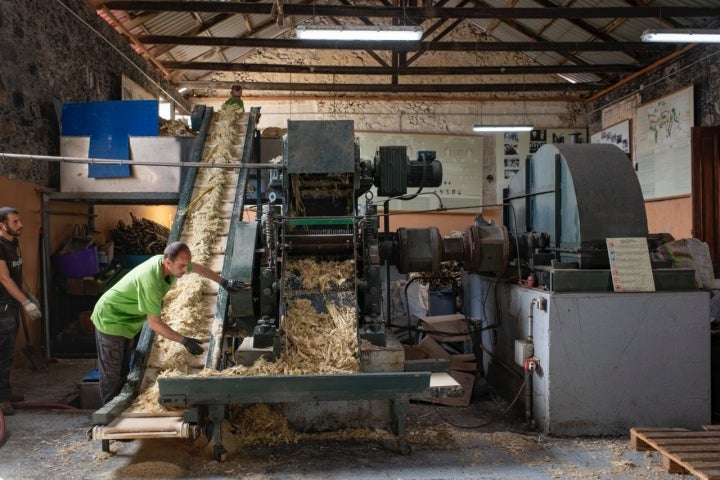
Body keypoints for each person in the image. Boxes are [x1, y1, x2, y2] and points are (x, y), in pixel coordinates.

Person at [90, 241, 248, 404]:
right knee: (111, 374)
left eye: (187, 265)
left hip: (128, 321)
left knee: (123, 370)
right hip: (111, 320)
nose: (186, 270)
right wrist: (184, 340)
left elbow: (198, 268)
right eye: (182, 266)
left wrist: (224, 282)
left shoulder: (170, 263)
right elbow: (155, 324)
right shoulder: (151, 281)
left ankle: (120, 405)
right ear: (168, 262)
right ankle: (106, 417)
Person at [0, 207, 42, 416]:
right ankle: (1, 400)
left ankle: (5, 392)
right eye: (15, 222)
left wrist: (29, 294)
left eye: (20, 220)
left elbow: (17, 274)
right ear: (2, 225)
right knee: (2, 352)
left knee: (7, 352)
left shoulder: (13, 243)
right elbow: (5, 279)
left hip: (11, 304)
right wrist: (25, 303)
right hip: (2, 306)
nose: (21, 225)